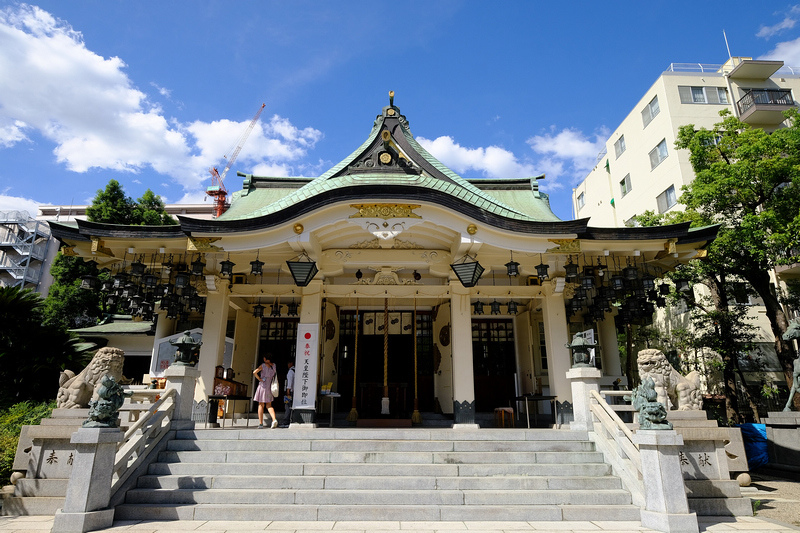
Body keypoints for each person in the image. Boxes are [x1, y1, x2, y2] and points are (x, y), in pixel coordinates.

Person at [253, 355, 278, 428]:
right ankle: (274, 419)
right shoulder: (274, 366)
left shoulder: (263, 365)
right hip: (270, 386)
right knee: (269, 405)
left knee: (261, 404)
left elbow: (254, 372)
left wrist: (259, 379)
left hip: (263, 385)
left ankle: (261, 424)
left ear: (266, 358)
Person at [280, 361, 295, 428]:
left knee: (287, 406)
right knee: (291, 407)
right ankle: (291, 419)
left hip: (290, 392)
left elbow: (289, 382)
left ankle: (286, 421)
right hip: (295, 391)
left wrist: (288, 390)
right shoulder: (296, 370)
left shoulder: (291, 371)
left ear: (291, 363)